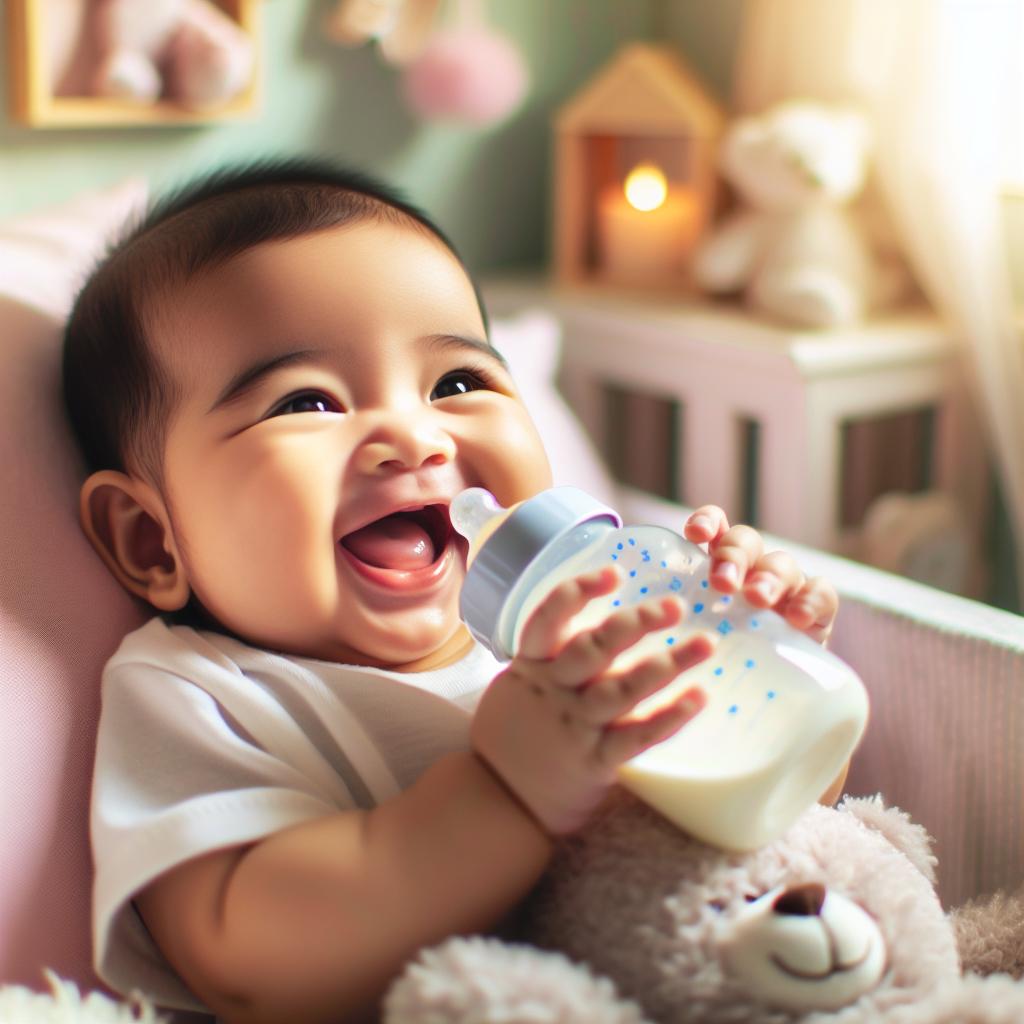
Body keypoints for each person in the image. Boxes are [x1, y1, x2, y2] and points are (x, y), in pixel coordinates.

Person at [63, 159, 842, 1024]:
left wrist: (766, 655)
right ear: (150, 539)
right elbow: (238, 957)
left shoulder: (595, 620)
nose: (414, 434)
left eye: (457, 384)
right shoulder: (203, 690)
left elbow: (767, 815)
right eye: (307, 402)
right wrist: (505, 791)